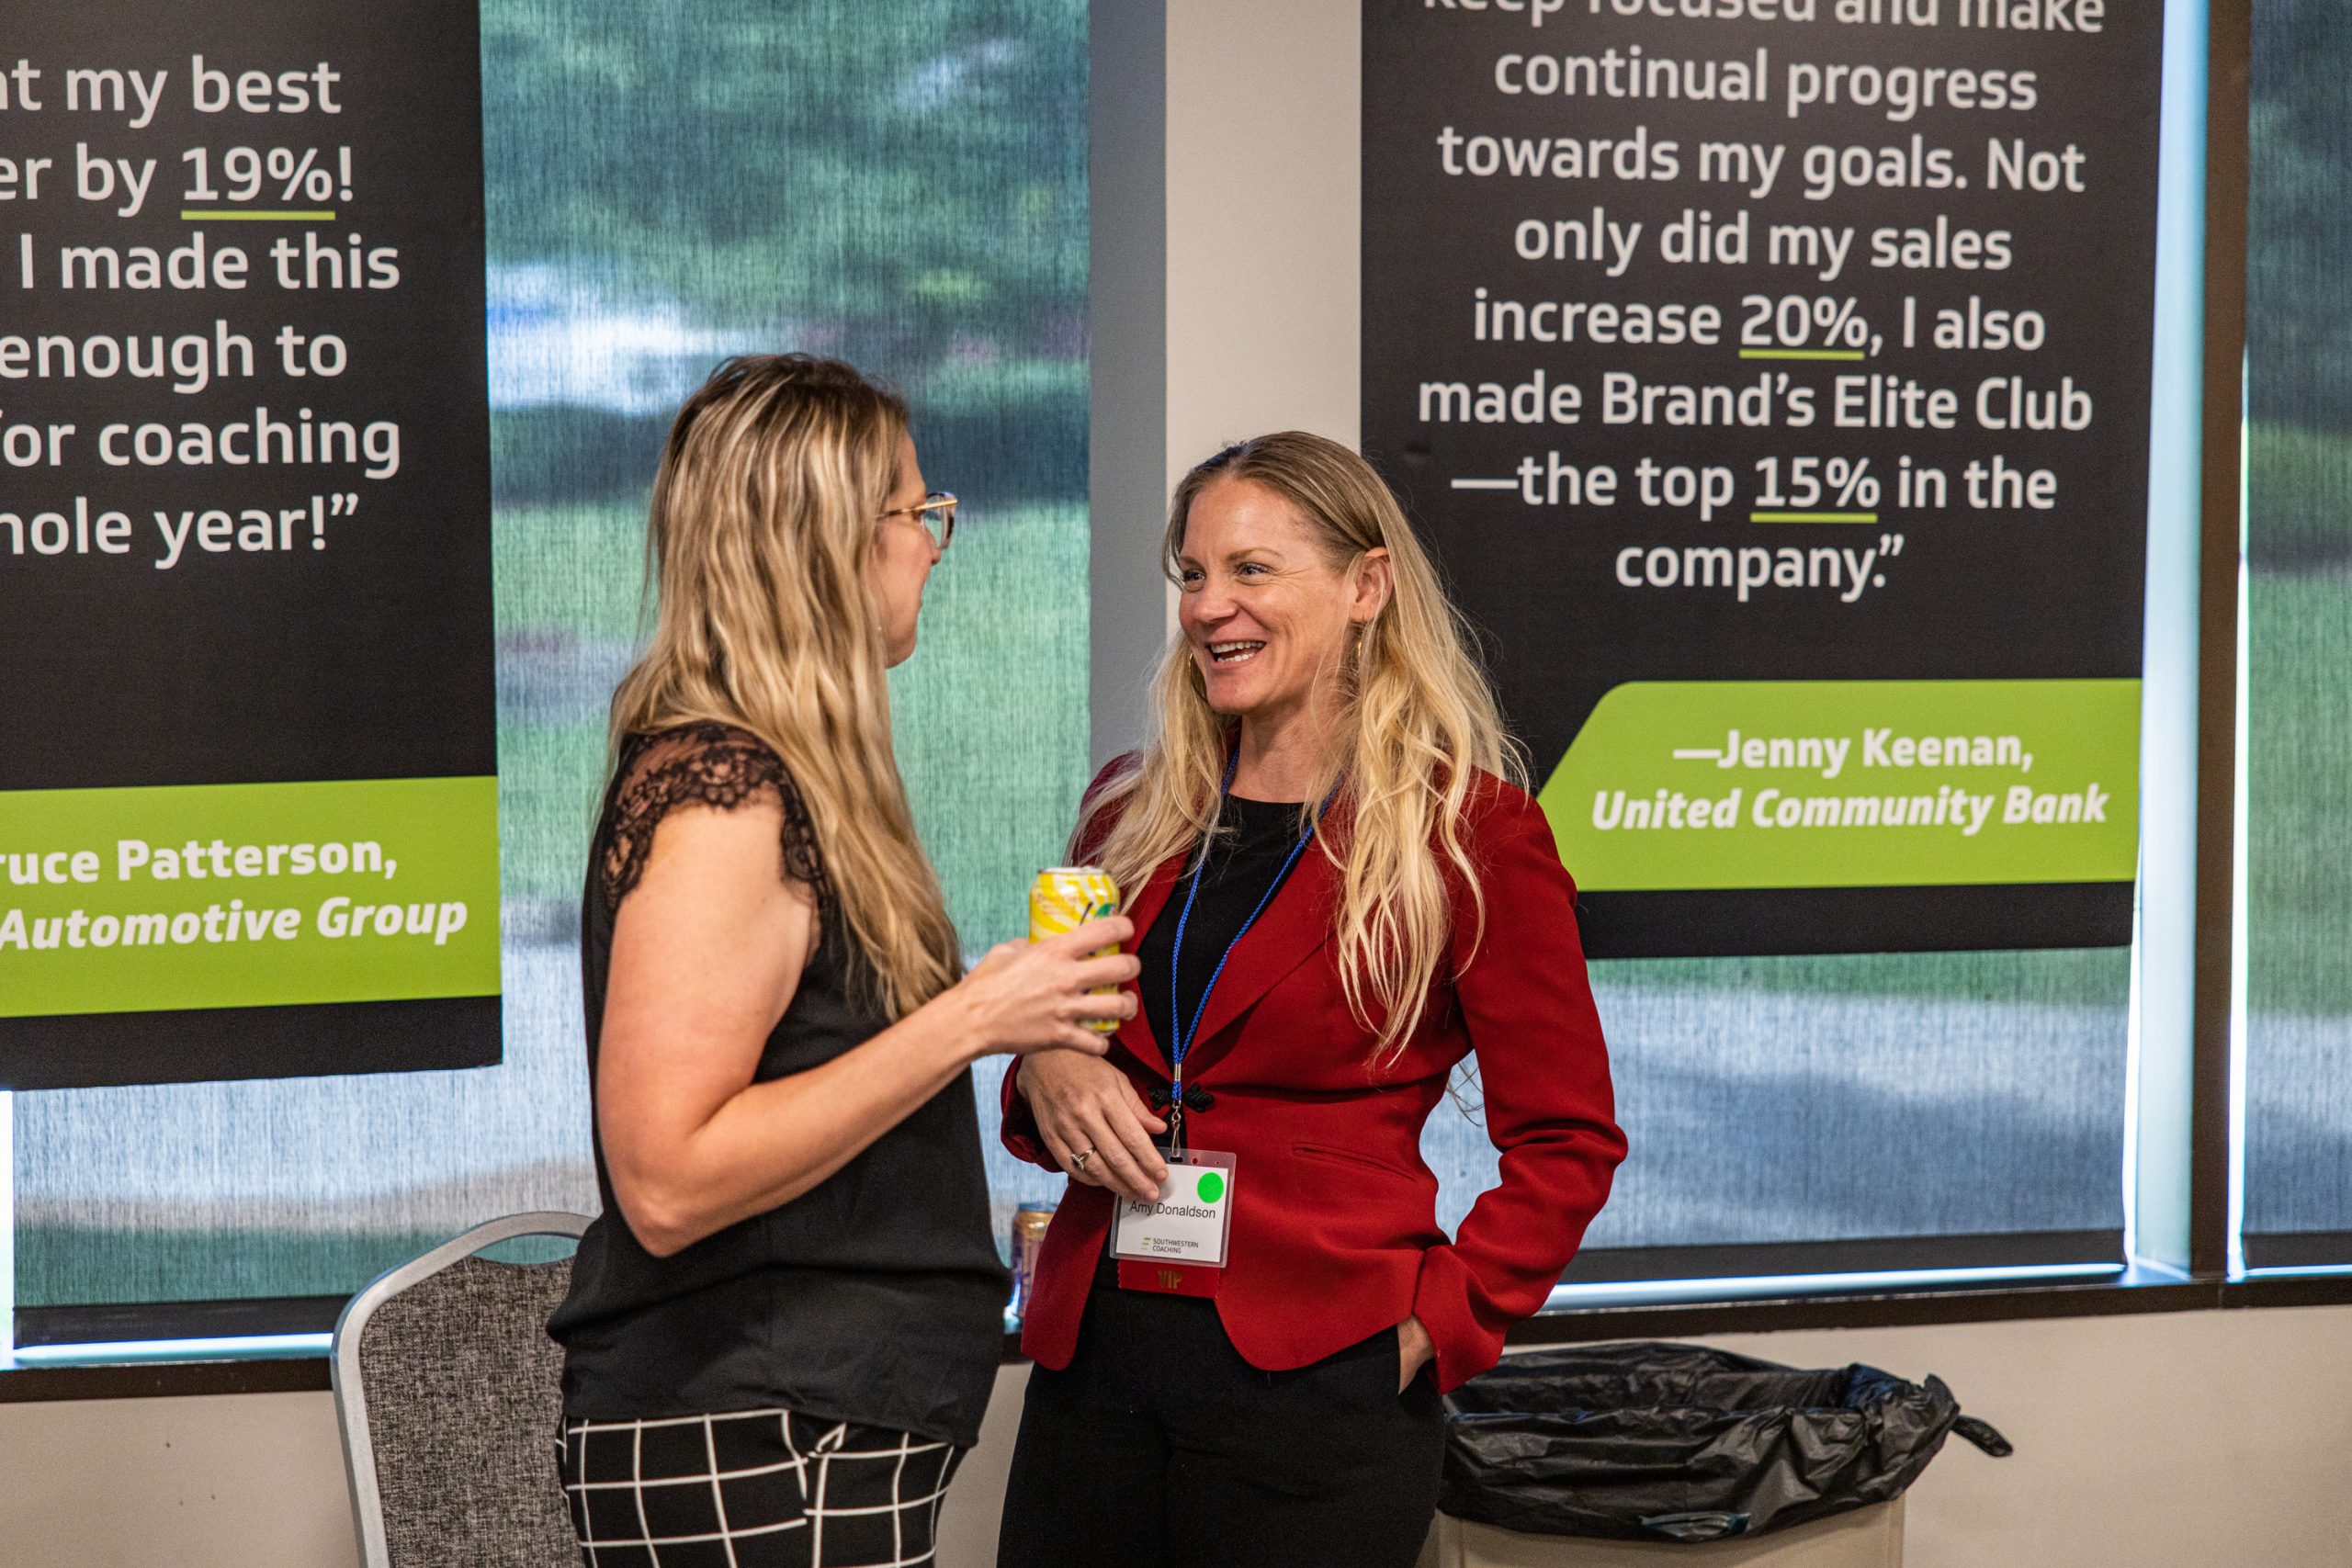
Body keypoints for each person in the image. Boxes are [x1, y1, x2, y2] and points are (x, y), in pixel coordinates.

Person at [994, 431, 1626, 1568]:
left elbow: (1569, 1139)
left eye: (1251, 569)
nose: (1207, 606)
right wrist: (1050, 1066)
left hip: (1318, 1383)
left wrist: (1434, 1328)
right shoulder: (1127, 817)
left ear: (1364, 587)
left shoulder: (1468, 834)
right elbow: (1058, 1060)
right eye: (1191, 573)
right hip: (1097, 1363)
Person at [547, 354, 1138, 1568]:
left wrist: (1017, 1024)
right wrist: (969, 1018)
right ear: (824, 542)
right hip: (761, 1421)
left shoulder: (790, 783)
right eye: (916, 511)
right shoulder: (726, 798)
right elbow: (668, 1180)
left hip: (806, 1423)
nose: (933, 542)